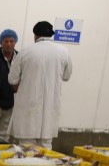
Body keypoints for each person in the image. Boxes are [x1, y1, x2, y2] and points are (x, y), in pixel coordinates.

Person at [8, 21, 72, 149]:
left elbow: (12, 79)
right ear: (51, 35)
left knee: (26, 148)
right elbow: (66, 76)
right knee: (46, 147)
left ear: (35, 35)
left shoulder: (26, 52)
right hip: (50, 108)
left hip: (28, 108)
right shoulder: (64, 52)